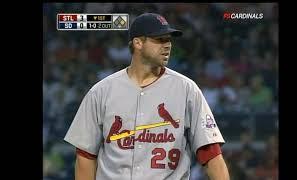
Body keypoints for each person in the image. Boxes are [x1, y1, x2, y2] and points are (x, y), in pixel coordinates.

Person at [64, 12, 230, 180]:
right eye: (159, 39)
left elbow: (211, 155)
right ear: (138, 43)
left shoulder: (186, 90)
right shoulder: (101, 92)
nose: (167, 45)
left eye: (169, 40)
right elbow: (85, 156)